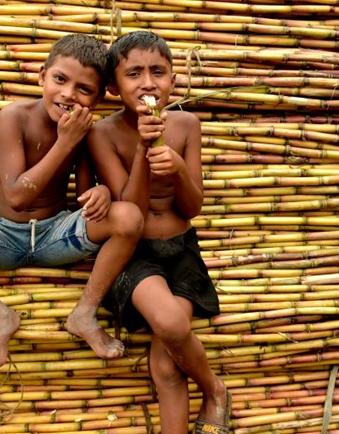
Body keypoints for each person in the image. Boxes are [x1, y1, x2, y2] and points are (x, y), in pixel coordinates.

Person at [0, 34, 144, 374]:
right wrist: (64, 142)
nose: (68, 94)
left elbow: (83, 197)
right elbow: (17, 196)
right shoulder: (15, 117)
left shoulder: (84, 131)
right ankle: (0, 316)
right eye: (60, 79)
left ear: (97, 99)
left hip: (56, 236)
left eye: (84, 89)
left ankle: (84, 313)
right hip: (3, 235)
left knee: (128, 217)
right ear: (42, 76)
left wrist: (102, 194)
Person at [88, 30, 231, 434]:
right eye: (134, 74)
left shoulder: (186, 125)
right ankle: (215, 389)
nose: (147, 83)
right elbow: (128, 208)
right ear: (115, 87)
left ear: (173, 80)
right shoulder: (104, 134)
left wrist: (180, 169)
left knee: (167, 363)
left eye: (158, 72)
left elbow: (192, 207)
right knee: (169, 325)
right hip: (135, 253)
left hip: (181, 249)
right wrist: (142, 152)